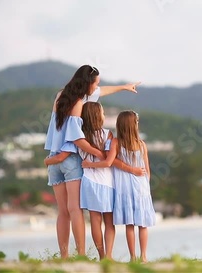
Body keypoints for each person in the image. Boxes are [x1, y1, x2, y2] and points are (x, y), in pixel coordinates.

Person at [44, 65, 141, 258]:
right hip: (70, 158)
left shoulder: (61, 96)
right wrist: (99, 153)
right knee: (75, 210)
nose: (97, 86)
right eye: (95, 82)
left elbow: (101, 91)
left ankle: (64, 257)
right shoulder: (79, 104)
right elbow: (76, 138)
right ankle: (80, 255)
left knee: (63, 212)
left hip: (54, 159)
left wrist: (124, 86)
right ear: (87, 84)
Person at [45, 102, 128, 260]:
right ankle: (108, 256)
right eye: (103, 113)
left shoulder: (79, 136)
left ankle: (100, 254)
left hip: (89, 182)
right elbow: (108, 157)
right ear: (98, 116)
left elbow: (63, 155)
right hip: (107, 182)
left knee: (95, 222)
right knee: (109, 223)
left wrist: (48, 161)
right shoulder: (107, 134)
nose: (104, 115)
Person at [83, 110, 156, 263]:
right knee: (143, 224)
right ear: (133, 125)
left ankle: (133, 257)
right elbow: (147, 168)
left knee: (130, 224)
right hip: (142, 187)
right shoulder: (142, 144)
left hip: (125, 189)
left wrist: (90, 164)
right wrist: (146, 185)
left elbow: (111, 161)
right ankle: (144, 256)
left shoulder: (116, 142)